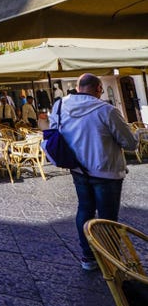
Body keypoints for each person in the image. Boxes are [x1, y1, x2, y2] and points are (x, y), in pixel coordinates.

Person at [51, 73, 138, 271]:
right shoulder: (107, 110)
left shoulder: (59, 107)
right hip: (106, 171)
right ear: (99, 89)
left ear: (78, 87)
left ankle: (88, 257)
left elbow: (56, 131)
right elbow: (130, 143)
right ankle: (110, 258)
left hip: (78, 169)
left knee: (84, 210)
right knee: (107, 217)